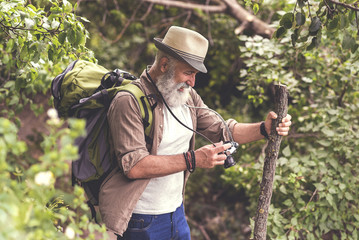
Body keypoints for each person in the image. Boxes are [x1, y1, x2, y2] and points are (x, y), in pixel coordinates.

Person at [99, 26, 292, 240]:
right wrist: (194, 159)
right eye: (188, 73)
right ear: (164, 65)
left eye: (195, 74)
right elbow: (134, 166)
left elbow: (222, 130)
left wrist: (264, 129)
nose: (192, 82)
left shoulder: (186, 96)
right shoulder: (129, 101)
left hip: (176, 214)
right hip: (140, 220)